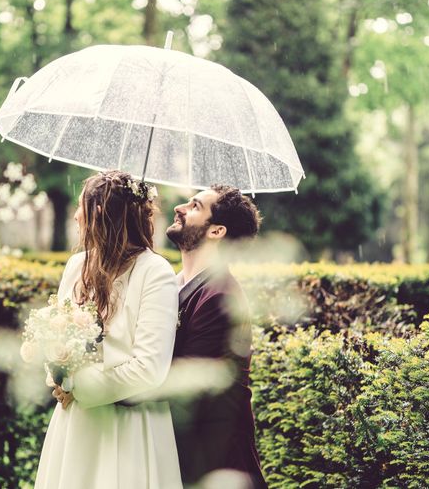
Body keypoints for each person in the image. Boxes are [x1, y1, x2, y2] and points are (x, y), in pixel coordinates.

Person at [34, 171, 183, 489]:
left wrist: (81, 389)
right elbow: (56, 332)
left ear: (102, 214)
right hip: (75, 424)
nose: (76, 216)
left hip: (128, 426)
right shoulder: (77, 266)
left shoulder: (154, 272)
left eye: (82, 207)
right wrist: (59, 373)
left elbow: (150, 369)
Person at [165, 184, 268, 489]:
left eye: (195, 206)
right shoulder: (173, 284)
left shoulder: (219, 296)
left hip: (212, 463)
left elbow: (184, 385)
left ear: (216, 231)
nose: (179, 208)